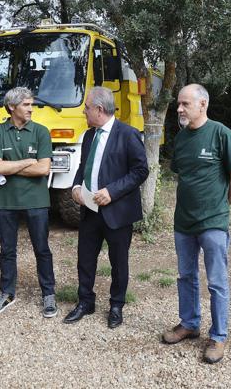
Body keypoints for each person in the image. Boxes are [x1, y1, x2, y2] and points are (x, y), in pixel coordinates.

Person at [162, 83, 231, 364]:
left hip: (213, 223)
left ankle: (219, 336)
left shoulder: (222, 134)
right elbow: (182, 176)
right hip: (183, 222)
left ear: (203, 105)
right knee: (185, 275)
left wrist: (220, 209)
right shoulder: (182, 138)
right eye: (179, 104)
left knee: (217, 282)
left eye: (185, 103)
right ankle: (189, 323)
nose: (179, 109)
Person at [63, 87, 149, 329]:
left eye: (86, 108)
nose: (84, 112)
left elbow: (141, 171)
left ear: (99, 110)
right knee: (85, 259)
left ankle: (116, 305)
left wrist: (112, 191)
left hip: (118, 212)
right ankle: (85, 302)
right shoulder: (89, 136)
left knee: (118, 262)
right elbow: (82, 167)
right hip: (90, 210)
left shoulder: (128, 134)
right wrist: (76, 187)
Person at [0, 87, 57, 318]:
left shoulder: (41, 132)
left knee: (42, 249)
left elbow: (44, 168)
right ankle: (7, 293)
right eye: (26, 105)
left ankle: (48, 294)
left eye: (31, 104)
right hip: (5, 201)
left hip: (37, 201)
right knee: (7, 250)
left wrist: (11, 166)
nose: (31, 109)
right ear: (12, 107)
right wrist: (28, 161)